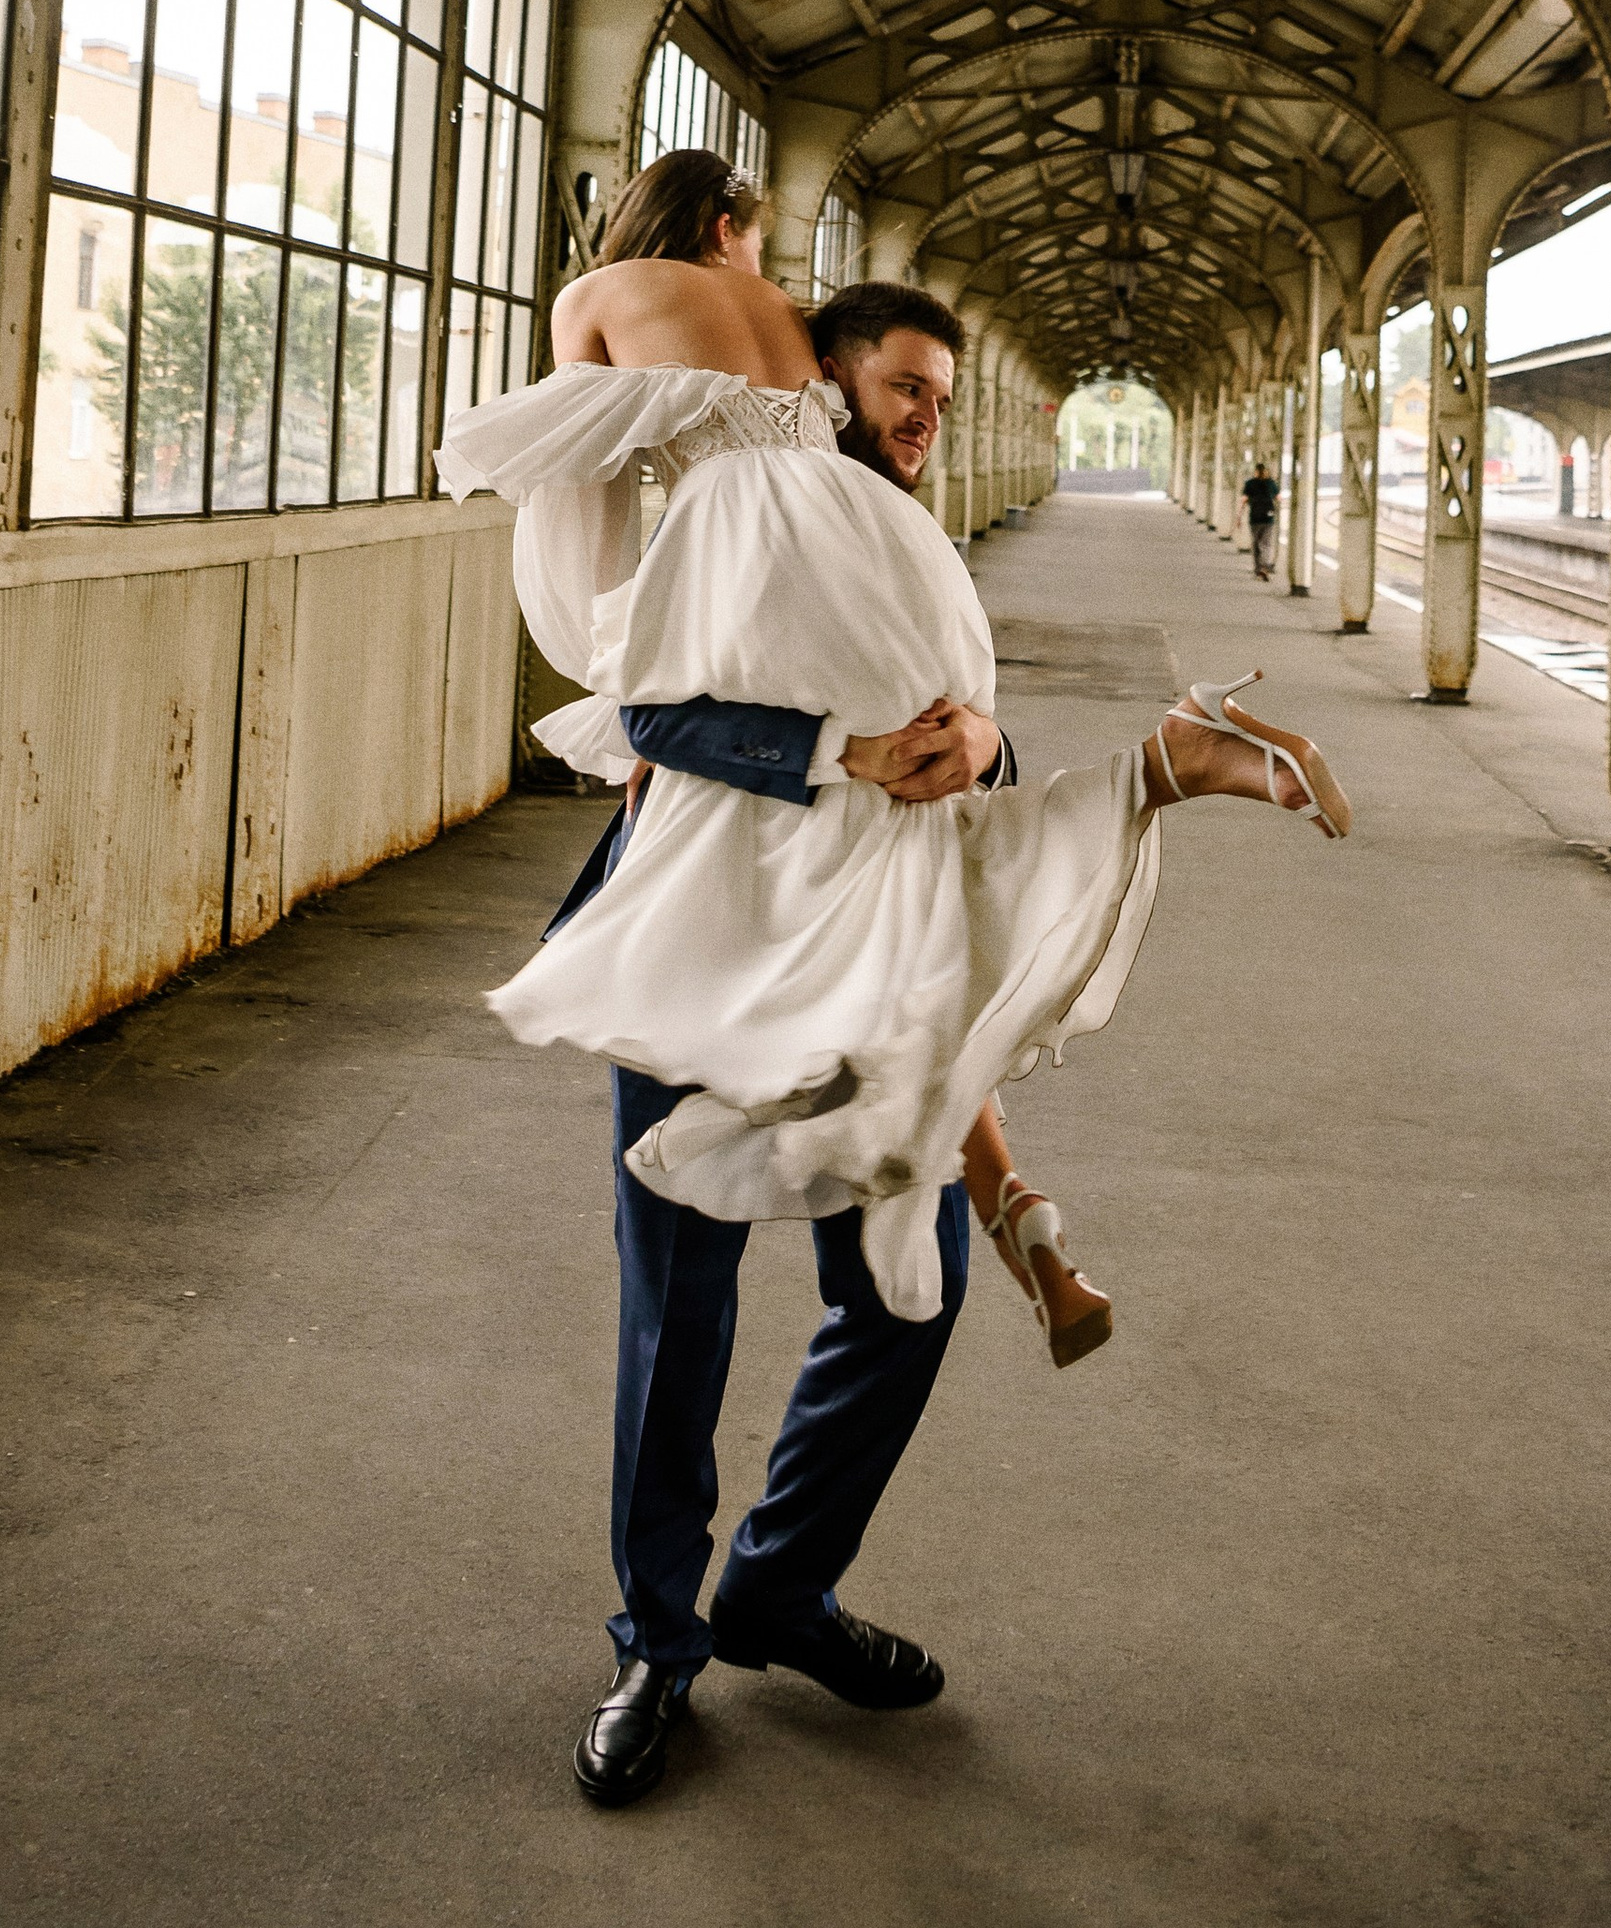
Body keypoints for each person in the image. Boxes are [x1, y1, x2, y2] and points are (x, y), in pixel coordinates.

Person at [434, 149, 1351, 1810]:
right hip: (701, 925)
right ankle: (656, 1642)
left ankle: (779, 1589)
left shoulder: (875, 539)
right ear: (820, 359)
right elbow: (639, 705)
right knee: (680, 1300)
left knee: (900, 1289)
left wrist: (982, 737)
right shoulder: (725, 508)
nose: (920, 415)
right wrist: (832, 748)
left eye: (939, 394)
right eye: (899, 384)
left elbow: (943, 733)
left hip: (866, 932)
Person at [1242, 456, 1280, 582]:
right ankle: (1265, 567)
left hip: (1255, 518)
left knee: (1256, 544)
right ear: (1266, 471)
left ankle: (1258, 569)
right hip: (1268, 518)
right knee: (1266, 544)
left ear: (1256, 471)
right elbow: (1278, 498)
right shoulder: (1271, 483)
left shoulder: (1250, 483)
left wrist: (1238, 517)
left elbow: (1244, 500)